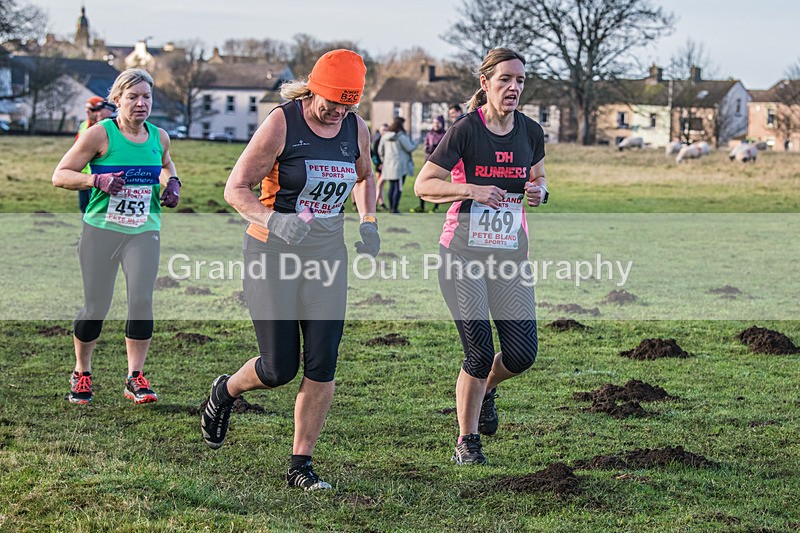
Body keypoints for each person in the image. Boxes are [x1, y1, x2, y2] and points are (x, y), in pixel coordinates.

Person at [201, 49, 380, 491]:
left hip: (327, 256)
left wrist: (368, 221)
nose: (337, 112)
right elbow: (235, 188)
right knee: (278, 368)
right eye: (332, 102)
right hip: (272, 254)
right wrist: (273, 220)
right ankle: (226, 391)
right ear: (314, 88)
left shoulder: (355, 128)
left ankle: (301, 464)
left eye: (347, 105)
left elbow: (365, 175)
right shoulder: (282, 123)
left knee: (323, 362)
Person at [414, 48, 548, 465]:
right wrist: (471, 190)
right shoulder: (465, 130)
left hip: (510, 257)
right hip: (462, 255)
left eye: (520, 80)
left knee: (522, 354)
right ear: (485, 83)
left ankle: (487, 388)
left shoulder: (531, 131)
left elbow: (539, 177)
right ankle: (467, 441)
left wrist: (540, 192)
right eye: (505, 79)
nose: (513, 87)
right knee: (478, 352)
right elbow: (424, 185)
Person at [52, 68, 182, 405]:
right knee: (97, 306)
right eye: (133, 97)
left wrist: (172, 183)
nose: (141, 103)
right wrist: (96, 180)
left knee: (141, 300)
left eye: (146, 97)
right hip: (101, 231)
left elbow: (166, 164)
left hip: (144, 230)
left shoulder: (159, 136)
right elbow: (60, 175)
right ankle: (82, 372)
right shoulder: (100, 134)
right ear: (117, 100)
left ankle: (135, 376)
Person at [76, 96, 117, 212]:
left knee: (95, 208)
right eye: (86, 109)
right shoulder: (84, 125)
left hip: (98, 175)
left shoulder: (105, 127)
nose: (88, 112)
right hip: (83, 174)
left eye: (92, 109)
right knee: (83, 206)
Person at [378, 116, 419, 214]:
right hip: (400, 166)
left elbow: (380, 151)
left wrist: (384, 160)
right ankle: (394, 209)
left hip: (388, 165)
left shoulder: (384, 137)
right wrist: (416, 143)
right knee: (398, 187)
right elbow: (409, 148)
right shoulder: (401, 137)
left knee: (391, 186)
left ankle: (391, 208)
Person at [411, 115, 447, 213]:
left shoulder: (445, 134)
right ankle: (421, 206)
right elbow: (425, 145)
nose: (436, 125)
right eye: (434, 122)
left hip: (440, 162)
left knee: (437, 185)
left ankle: (435, 207)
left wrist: (437, 148)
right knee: (423, 182)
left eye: (438, 123)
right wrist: (428, 148)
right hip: (428, 161)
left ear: (442, 124)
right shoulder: (429, 134)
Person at [372, 122, 389, 210]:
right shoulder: (377, 141)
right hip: (379, 167)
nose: (384, 131)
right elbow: (374, 155)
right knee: (379, 184)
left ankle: (381, 202)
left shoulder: (388, 141)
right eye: (383, 130)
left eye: (386, 130)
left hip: (386, 166)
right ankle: (375, 203)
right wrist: (378, 164)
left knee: (381, 185)